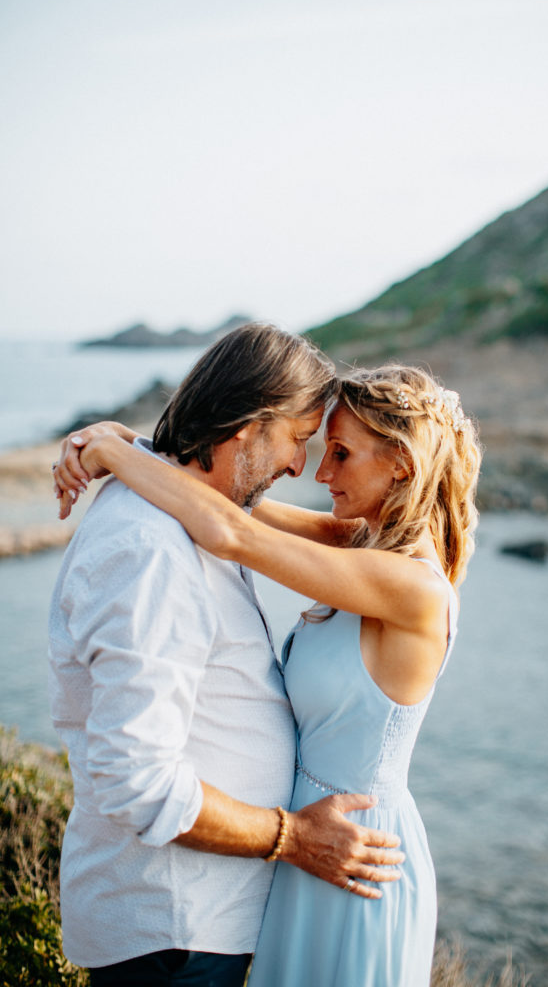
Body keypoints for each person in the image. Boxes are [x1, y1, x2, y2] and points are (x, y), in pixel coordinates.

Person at [55, 361, 481, 987]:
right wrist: (134, 445)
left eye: (339, 452)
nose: (320, 471)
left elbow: (228, 530)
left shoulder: (411, 587)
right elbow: (237, 502)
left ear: (402, 465)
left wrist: (115, 455)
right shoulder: (359, 542)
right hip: (306, 847)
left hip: (355, 847)